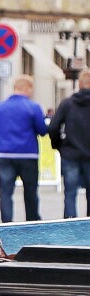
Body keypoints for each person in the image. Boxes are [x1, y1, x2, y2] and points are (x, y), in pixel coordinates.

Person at [0, 74, 47, 221]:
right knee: (30, 191)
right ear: (27, 88)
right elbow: (42, 130)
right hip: (27, 154)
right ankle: (32, 221)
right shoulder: (33, 107)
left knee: (6, 192)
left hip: (4, 154)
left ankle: (6, 222)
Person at [52, 70, 90, 219]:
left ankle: (70, 223)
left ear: (80, 85)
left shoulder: (68, 104)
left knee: (70, 192)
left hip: (71, 153)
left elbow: (54, 126)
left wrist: (58, 145)